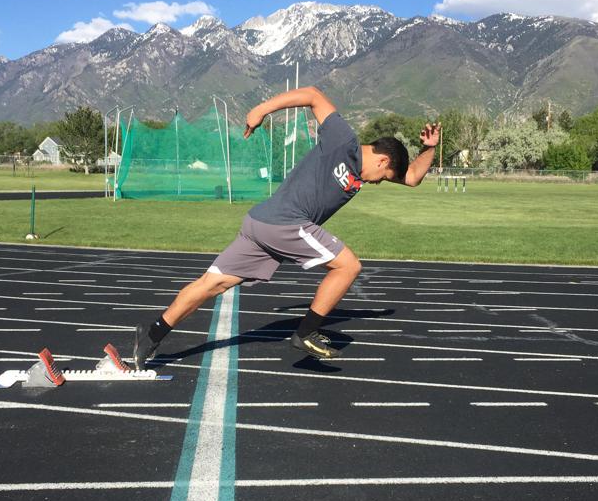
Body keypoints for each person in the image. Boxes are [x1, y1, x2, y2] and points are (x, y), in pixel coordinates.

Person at [134, 86, 440, 366]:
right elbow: (312, 95)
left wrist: (429, 148)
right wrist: (261, 110)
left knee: (211, 283)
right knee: (348, 267)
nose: (378, 183)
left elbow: (412, 177)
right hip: (284, 222)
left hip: (260, 225)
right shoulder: (343, 140)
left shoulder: (363, 172)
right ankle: (306, 332)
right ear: (383, 161)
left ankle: (150, 337)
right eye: (384, 177)